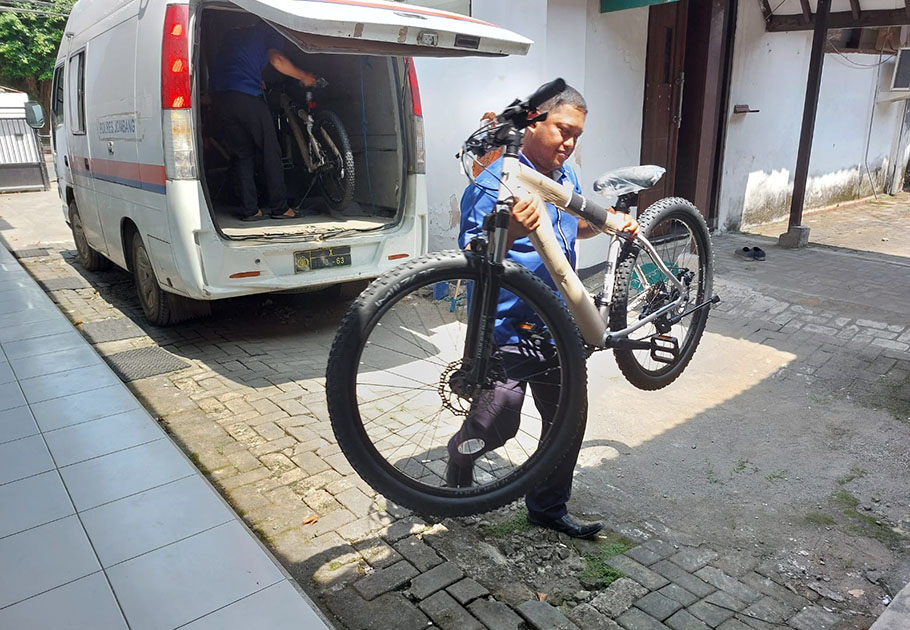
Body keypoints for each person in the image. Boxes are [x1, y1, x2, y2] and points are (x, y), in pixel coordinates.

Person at [448, 84, 639, 539]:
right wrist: (512, 228)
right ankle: (458, 464)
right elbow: (471, 254)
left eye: (577, 135)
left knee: (568, 420)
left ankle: (548, 508)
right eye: (563, 130)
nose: (569, 143)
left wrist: (609, 224)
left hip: (558, 325)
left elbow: (571, 227)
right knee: (497, 422)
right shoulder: (493, 181)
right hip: (506, 328)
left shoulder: (564, 176)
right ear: (534, 123)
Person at [210, 22, 321, 221]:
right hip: (246, 95)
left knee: (242, 154)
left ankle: (250, 210)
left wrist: (257, 78)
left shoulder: (233, 34)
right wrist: (304, 76)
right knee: (270, 151)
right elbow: (277, 60)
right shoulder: (271, 32)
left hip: (220, 98)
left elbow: (236, 63)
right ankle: (280, 208)